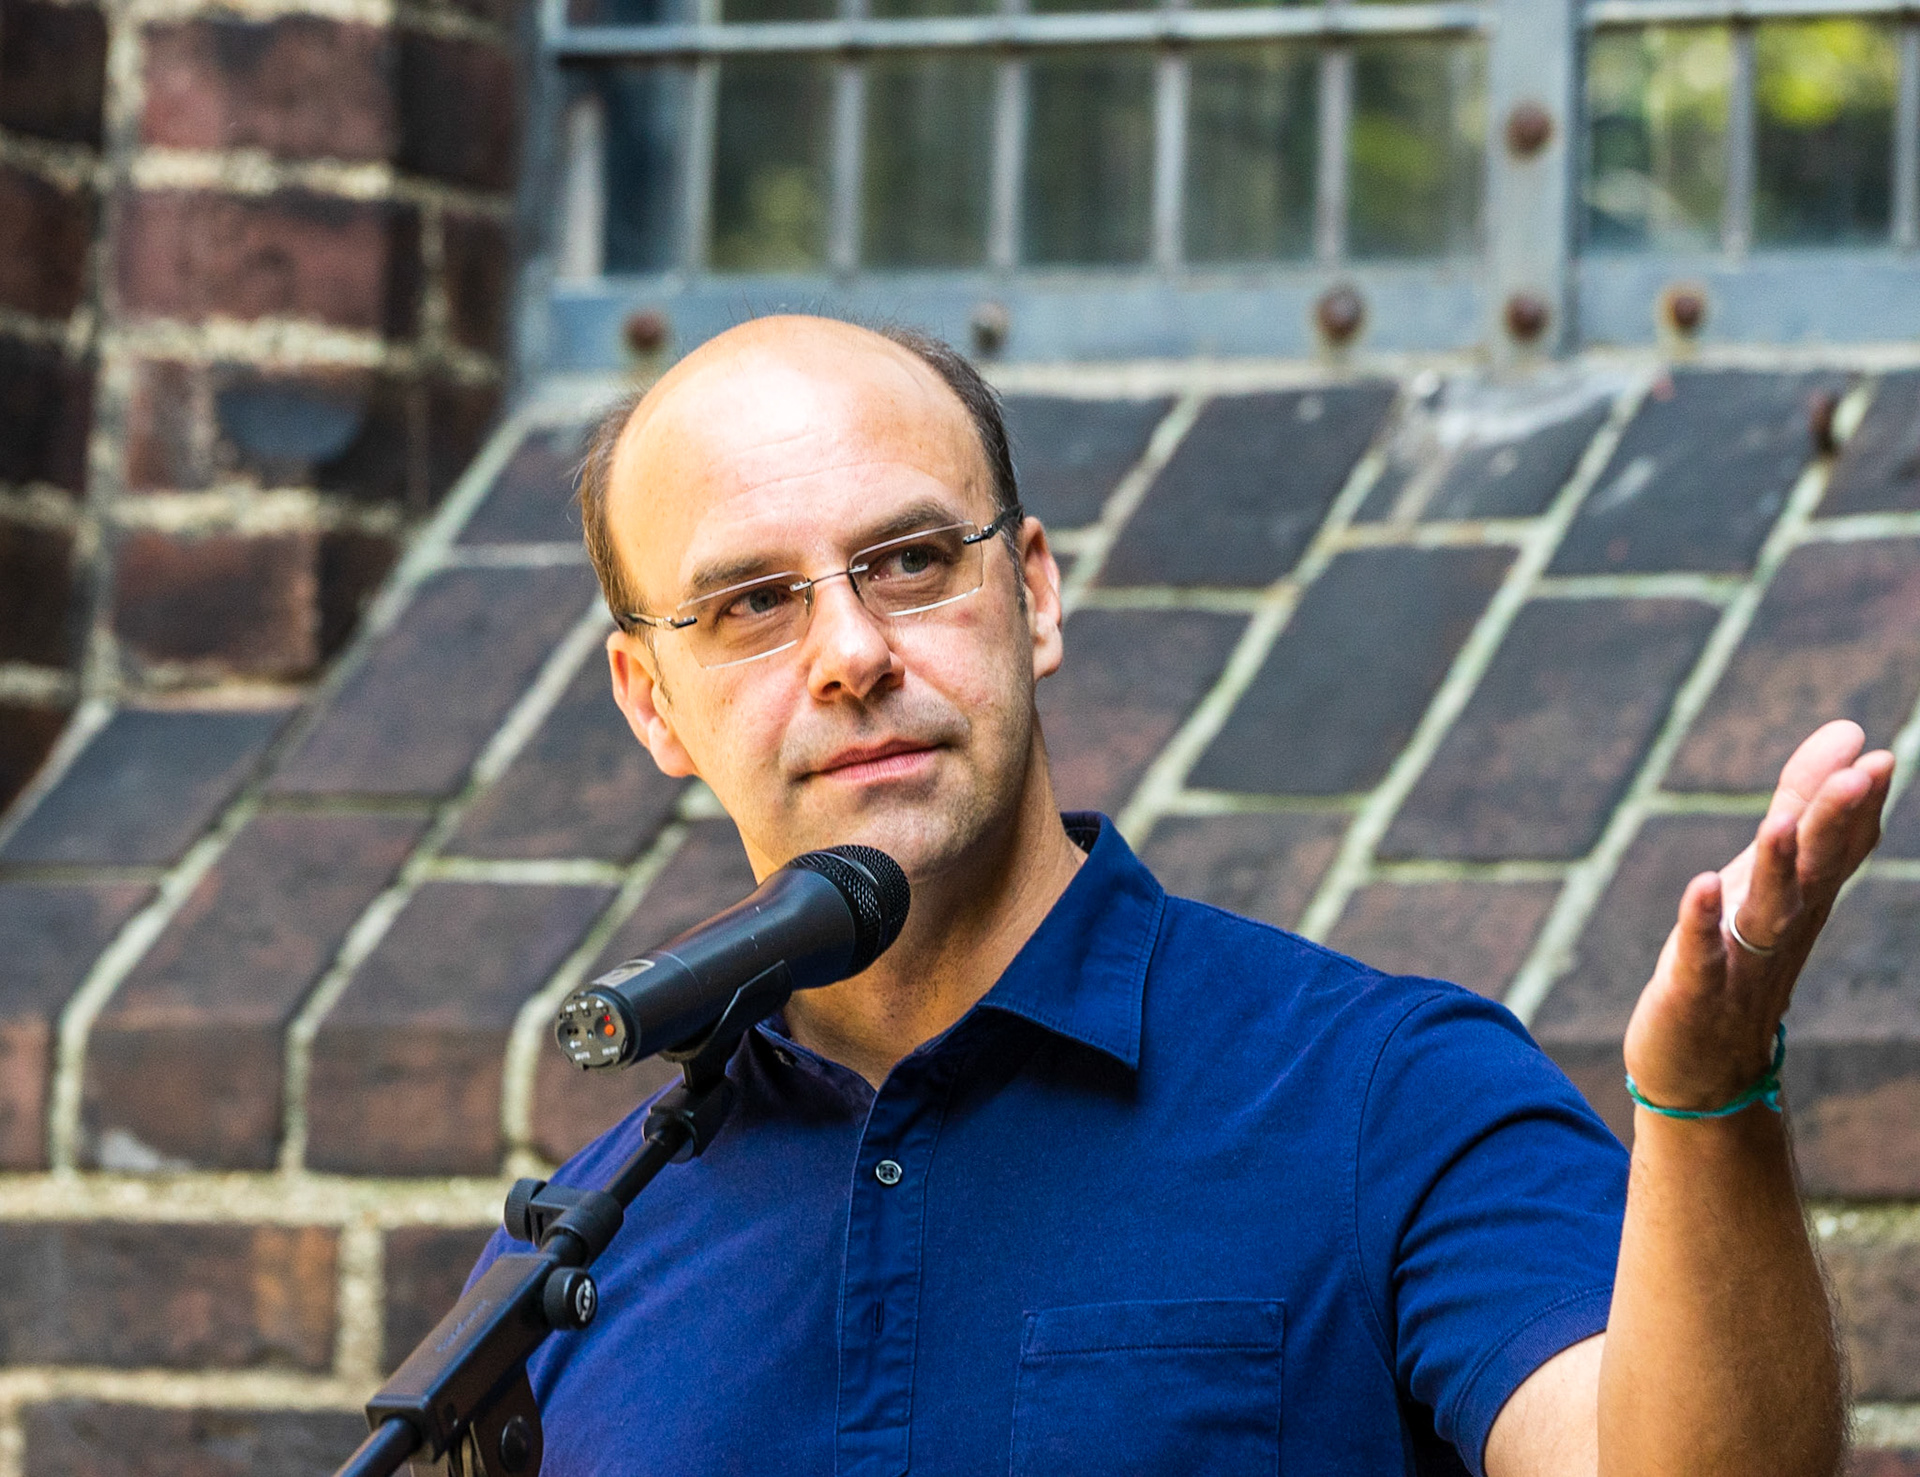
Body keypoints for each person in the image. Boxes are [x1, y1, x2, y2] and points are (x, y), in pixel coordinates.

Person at [470, 315, 1892, 1477]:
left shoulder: (1387, 1095)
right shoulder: (584, 1247)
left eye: (909, 561)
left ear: (1032, 595)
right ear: (651, 700)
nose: (851, 649)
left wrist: (1709, 1100)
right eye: (754, 605)